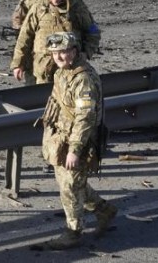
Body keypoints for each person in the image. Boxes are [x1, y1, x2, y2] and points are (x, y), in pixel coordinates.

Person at [38, 32, 117, 250]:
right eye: (55, 53)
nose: (59, 57)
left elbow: (86, 117)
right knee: (71, 183)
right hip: (61, 138)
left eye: (63, 52)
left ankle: (73, 233)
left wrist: (75, 149)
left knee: (70, 186)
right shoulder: (63, 72)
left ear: (74, 51)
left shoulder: (83, 78)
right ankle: (104, 210)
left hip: (79, 141)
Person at [10, 0, 100, 85]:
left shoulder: (77, 10)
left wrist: (85, 53)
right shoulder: (39, 9)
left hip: (70, 65)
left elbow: (93, 33)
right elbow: (25, 36)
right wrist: (18, 64)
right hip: (43, 66)